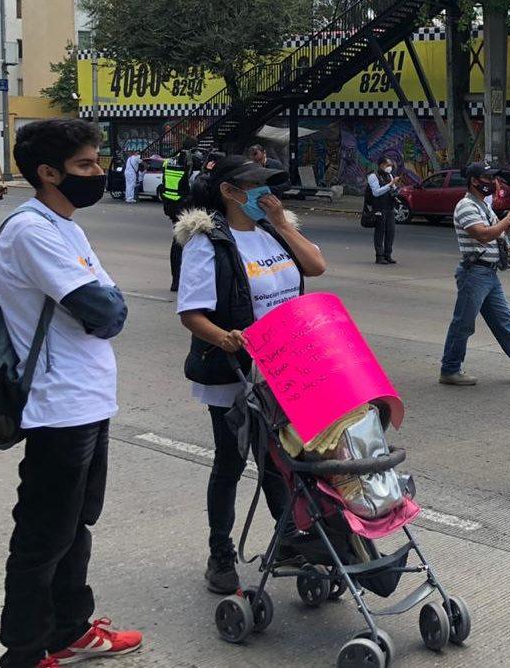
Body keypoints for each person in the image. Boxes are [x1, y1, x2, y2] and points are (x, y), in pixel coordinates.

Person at [0, 118, 142, 667]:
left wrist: (107, 304)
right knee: (43, 534)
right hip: (57, 404)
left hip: (89, 399)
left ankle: (70, 631)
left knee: (78, 522)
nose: (98, 173)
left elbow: (107, 306)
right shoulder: (30, 230)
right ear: (47, 172)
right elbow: (105, 310)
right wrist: (106, 304)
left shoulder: (67, 225)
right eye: (85, 166)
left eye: (97, 162)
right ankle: (26, 652)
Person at [174, 155, 327, 594]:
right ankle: (220, 553)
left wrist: (282, 222)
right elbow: (191, 313)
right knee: (231, 460)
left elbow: (315, 268)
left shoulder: (271, 235)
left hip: (283, 368)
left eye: (269, 186)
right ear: (230, 190)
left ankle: (289, 540)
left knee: (279, 462)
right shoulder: (209, 243)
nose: (267, 193)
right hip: (235, 370)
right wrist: (224, 339)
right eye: (256, 185)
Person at [440, 163, 510, 386]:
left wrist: (508, 226)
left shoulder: (483, 205)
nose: (493, 182)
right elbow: (482, 235)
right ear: (474, 181)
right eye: (488, 178)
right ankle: (450, 369)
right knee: (463, 323)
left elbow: (496, 232)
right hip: (475, 273)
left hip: (488, 274)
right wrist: (507, 220)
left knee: (503, 320)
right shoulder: (465, 206)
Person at [160, 149, 195, 291]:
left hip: (171, 205)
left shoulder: (169, 161)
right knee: (182, 243)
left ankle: (176, 280)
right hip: (184, 205)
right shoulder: (190, 161)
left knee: (177, 243)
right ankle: (181, 281)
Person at [366, 156, 400, 265]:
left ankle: (388, 255)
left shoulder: (389, 175)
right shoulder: (373, 176)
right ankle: (379, 256)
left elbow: (393, 189)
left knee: (390, 231)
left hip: (389, 207)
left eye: (390, 165)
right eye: (387, 165)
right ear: (381, 165)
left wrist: (395, 188)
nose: (389, 167)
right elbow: (376, 192)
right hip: (379, 207)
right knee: (380, 232)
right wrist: (389, 184)